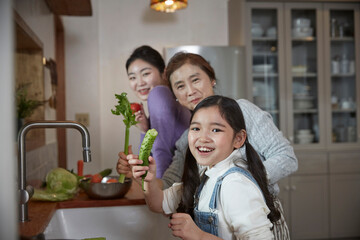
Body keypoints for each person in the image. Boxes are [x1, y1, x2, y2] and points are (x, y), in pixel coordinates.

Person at [129, 95, 281, 239]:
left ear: (238, 139)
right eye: (195, 128)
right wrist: (148, 181)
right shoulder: (206, 175)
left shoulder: (235, 184)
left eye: (215, 130)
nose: (202, 138)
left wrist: (200, 236)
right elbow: (158, 203)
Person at [121, 46, 191, 178]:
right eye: (132, 77)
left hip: (174, 187)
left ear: (164, 73)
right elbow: (146, 162)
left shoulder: (158, 93)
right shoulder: (168, 97)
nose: (140, 82)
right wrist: (144, 130)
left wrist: (160, 190)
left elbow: (160, 150)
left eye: (146, 74)